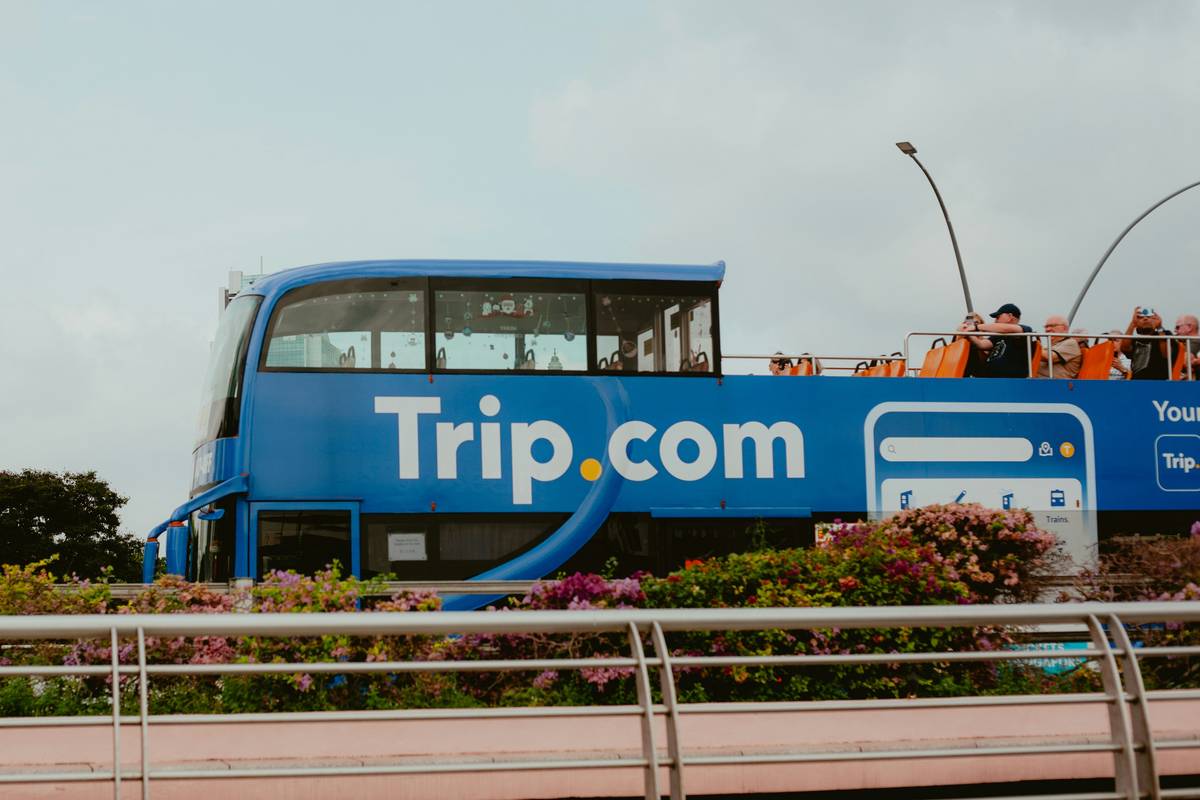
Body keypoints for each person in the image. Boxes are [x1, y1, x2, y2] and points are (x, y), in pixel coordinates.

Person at [961, 303, 1033, 378]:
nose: (995, 321)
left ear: (1010, 316)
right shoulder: (998, 336)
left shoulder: (1025, 331)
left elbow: (1005, 328)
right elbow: (981, 344)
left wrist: (976, 327)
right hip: (987, 377)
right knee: (970, 348)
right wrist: (967, 332)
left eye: (998, 317)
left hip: (1007, 380)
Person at [1116, 306, 1169, 380]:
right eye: (1140, 317)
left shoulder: (1164, 335)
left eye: (1149, 317)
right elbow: (1124, 348)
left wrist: (1159, 327)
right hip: (1137, 382)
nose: (1145, 318)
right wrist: (1133, 323)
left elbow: (1166, 354)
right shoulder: (1134, 340)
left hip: (1158, 382)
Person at [1173, 314, 1200, 379]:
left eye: (1177, 327)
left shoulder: (1195, 341)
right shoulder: (1186, 343)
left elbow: (1187, 359)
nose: (1175, 330)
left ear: (1189, 327)